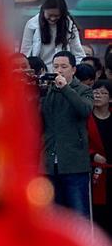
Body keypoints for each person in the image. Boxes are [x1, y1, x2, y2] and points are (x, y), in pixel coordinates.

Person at [41, 51, 94, 218]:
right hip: (50, 163)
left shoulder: (83, 90)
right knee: (54, 217)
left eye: (64, 67)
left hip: (74, 163)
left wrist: (65, 88)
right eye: (55, 66)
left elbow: (84, 110)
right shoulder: (48, 90)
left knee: (78, 216)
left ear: (73, 70)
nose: (59, 70)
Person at [21, 0, 86, 72]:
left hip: (62, 74)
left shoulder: (69, 25)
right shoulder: (32, 25)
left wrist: (73, 72)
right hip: (39, 73)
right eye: (49, 15)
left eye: (56, 15)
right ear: (43, 10)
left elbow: (78, 53)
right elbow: (25, 52)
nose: (52, 18)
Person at [87, 80, 112, 238]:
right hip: (95, 170)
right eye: (95, 92)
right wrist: (92, 154)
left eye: (103, 93)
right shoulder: (86, 117)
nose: (98, 96)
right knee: (97, 211)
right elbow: (79, 141)